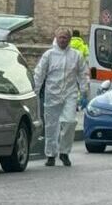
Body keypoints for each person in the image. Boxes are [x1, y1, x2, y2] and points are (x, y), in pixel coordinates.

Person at [33, 27, 89, 167]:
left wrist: (84, 92)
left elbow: (82, 74)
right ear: (56, 38)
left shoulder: (76, 55)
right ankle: (51, 155)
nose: (63, 40)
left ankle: (64, 152)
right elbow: (40, 73)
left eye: (65, 37)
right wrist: (35, 90)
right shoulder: (49, 55)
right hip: (52, 95)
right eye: (60, 37)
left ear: (69, 39)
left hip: (70, 94)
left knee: (70, 122)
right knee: (51, 126)